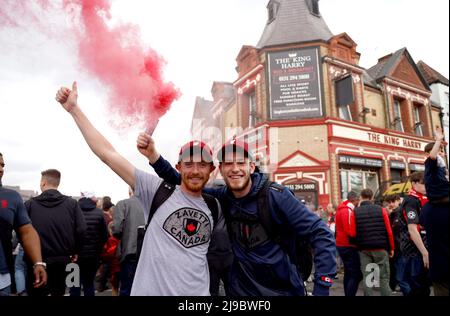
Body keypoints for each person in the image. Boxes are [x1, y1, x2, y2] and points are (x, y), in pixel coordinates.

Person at [55, 82, 223, 296]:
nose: (196, 171)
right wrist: (74, 110)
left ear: (212, 169)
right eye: (189, 164)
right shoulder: (157, 191)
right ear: (179, 167)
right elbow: (107, 154)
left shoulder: (215, 205)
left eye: (202, 165)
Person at [139, 134, 336, 296]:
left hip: (282, 291)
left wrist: (322, 286)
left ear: (251, 167)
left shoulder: (276, 196)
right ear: (221, 170)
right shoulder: (222, 196)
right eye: (228, 164)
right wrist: (154, 157)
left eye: (240, 162)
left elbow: (321, 233)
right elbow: (184, 179)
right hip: (241, 294)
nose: (235, 169)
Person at [24, 168, 86, 296]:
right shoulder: (72, 204)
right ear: (57, 183)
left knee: (36, 292)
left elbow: (22, 231)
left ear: (43, 183)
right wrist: (75, 250)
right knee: (58, 291)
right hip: (62, 259)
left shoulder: (30, 204)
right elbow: (81, 229)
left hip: (36, 260)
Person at [0, 152, 47, 296]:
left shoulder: (11, 197)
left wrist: (38, 262)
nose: (1, 169)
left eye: (2, 165)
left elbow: (27, 231)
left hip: (2, 280)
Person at [420, 128, 449, 296]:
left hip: (440, 268)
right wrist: (438, 140)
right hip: (441, 268)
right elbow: (432, 157)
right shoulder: (432, 165)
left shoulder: (440, 169)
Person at [350, 189, 395, 296]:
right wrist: (391, 248)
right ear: (372, 198)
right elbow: (389, 231)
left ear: (361, 197)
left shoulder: (355, 211)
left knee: (368, 277)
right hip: (381, 248)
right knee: (383, 277)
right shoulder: (381, 210)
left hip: (364, 249)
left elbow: (352, 232)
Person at [396, 171, 430, 296]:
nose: (427, 186)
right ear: (414, 183)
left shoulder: (423, 199)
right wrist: (425, 252)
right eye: (424, 184)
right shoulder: (411, 201)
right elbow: (412, 229)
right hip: (414, 250)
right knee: (417, 287)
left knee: (424, 286)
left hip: (421, 248)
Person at [70, 191, 108, 296]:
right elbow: (105, 237)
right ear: (92, 199)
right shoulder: (99, 213)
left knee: (73, 284)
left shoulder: (72, 211)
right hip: (93, 256)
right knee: (89, 284)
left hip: (74, 256)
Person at [111, 187, 145, 296]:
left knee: (126, 288)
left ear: (130, 192)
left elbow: (117, 229)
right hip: (148, 254)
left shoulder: (123, 204)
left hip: (129, 253)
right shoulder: (151, 205)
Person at [335, 191, 362, 296]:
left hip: (342, 245)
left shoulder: (341, 209)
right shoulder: (347, 210)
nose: (358, 203)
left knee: (349, 273)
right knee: (356, 274)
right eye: (358, 200)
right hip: (348, 245)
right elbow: (350, 231)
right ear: (354, 200)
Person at [384, 194, 402, 292]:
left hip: (399, 246)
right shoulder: (393, 213)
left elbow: (395, 230)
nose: (391, 204)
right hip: (394, 246)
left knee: (399, 270)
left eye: (393, 201)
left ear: (398, 200)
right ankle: (393, 286)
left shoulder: (400, 212)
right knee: (393, 268)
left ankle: (396, 285)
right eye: (389, 202)